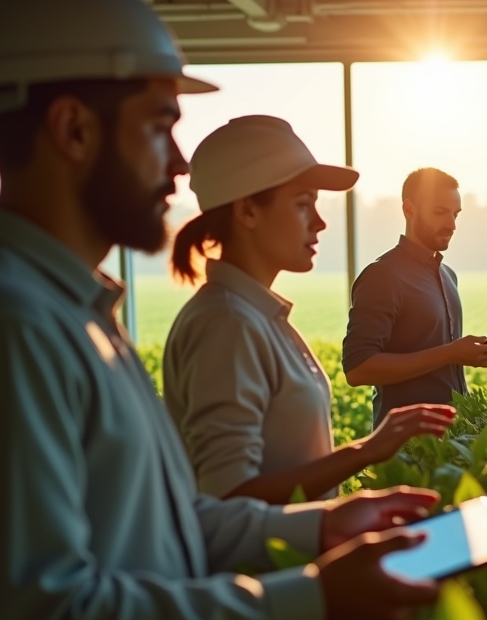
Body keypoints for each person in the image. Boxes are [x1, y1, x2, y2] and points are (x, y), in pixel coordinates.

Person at [0, 0, 437, 620]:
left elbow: (167, 524)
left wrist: (324, 528)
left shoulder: (68, 314)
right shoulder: (1, 329)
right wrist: (310, 602)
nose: (177, 165)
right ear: (73, 130)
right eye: (158, 127)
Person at [163, 116, 456, 503]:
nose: (320, 223)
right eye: (303, 205)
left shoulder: (254, 316)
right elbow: (230, 498)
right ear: (248, 211)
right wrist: (365, 452)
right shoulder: (227, 324)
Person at [343, 168, 487, 428]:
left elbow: (442, 356)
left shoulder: (448, 275)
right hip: (405, 443)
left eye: (455, 214)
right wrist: (450, 353)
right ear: (409, 210)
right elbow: (357, 368)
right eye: (440, 212)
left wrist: (472, 354)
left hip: (454, 436)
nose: (451, 225)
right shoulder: (382, 276)